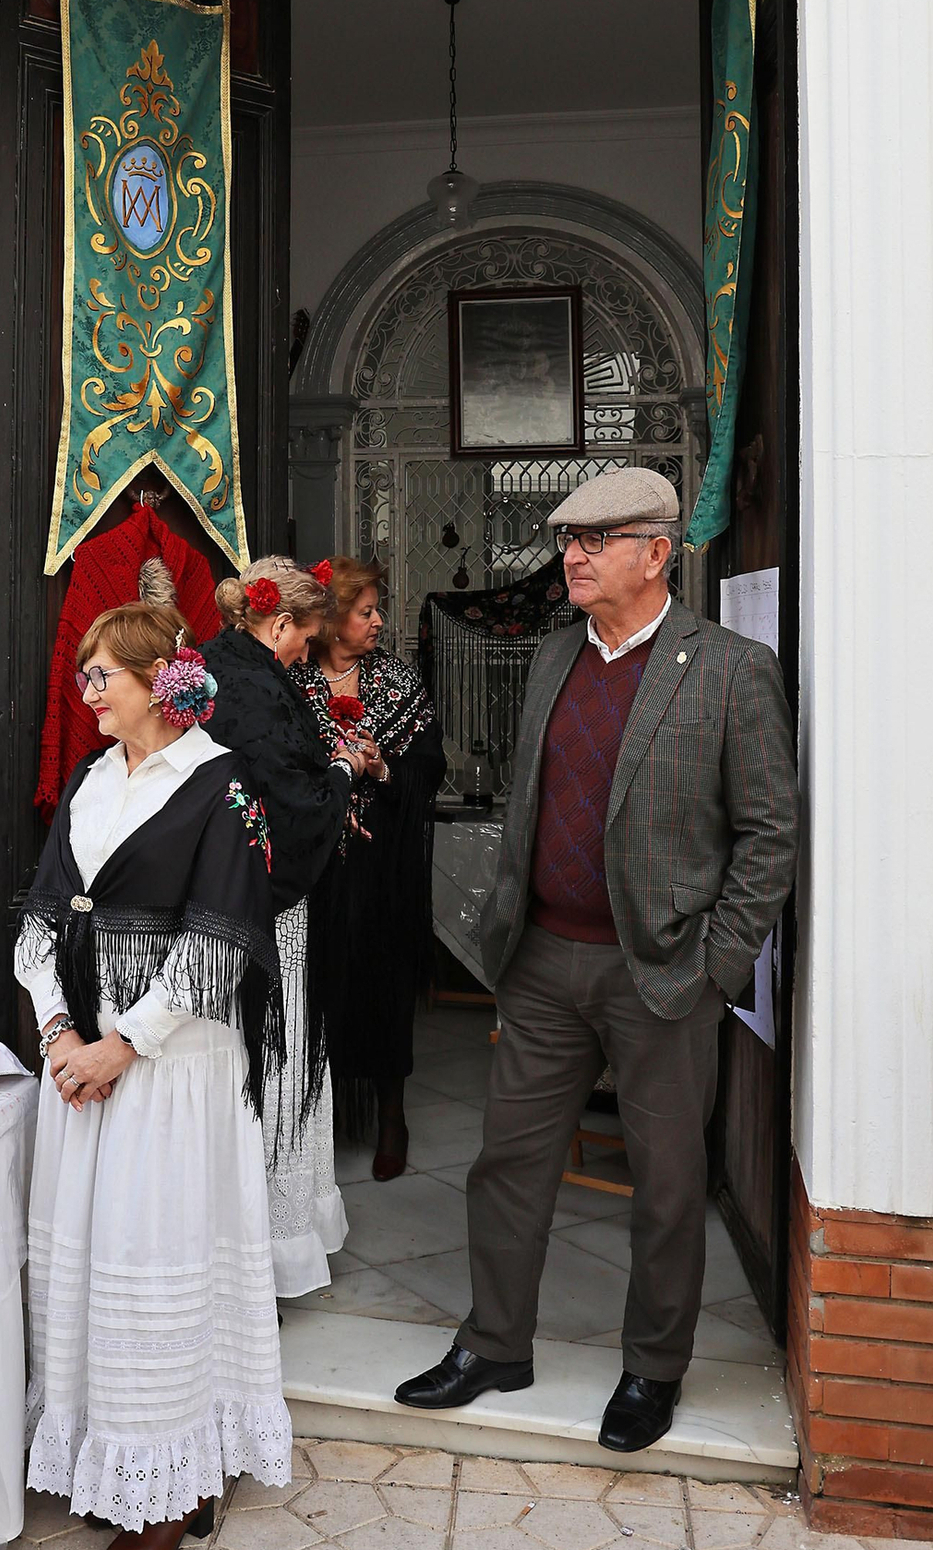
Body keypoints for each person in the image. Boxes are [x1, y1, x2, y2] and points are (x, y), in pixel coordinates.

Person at [396, 471, 799, 1453]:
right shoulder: (547, 659)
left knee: (666, 1183)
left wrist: (717, 962)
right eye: (565, 538)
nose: (569, 554)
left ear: (656, 552)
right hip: (539, 962)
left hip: (661, 975)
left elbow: (768, 834)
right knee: (506, 1165)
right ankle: (495, 1344)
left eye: (593, 538)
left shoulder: (728, 670)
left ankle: (653, 1370)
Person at [16, 600, 293, 1550]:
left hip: (168, 1070)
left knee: (154, 1256)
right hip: (81, 1061)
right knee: (92, 1262)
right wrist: (57, 1027)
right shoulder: (95, 779)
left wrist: (119, 1045)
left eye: (102, 676)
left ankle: (175, 1479)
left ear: (156, 683)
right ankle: (111, 1457)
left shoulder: (221, 785)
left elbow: (219, 942)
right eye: (82, 675)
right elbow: (44, 914)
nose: (85, 692)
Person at [201, 558, 368, 1296]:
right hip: (264, 917)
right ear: (276, 625)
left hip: (216, 905)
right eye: (304, 636)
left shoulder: (210, 668)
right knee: (273, 1061)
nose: (308, 650)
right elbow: (291, 811)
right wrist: (342, 773)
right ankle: (262, 1256)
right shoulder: (256, 690)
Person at [291, 557, 446, 1181]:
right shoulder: (294, 686)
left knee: (383, 989)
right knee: (317, 990)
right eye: (366, 612)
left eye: (377, 610)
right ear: (329, 621)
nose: (379, 621)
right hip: (316, 870)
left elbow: (431, 770)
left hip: (383, 867)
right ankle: (313, 1119)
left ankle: (390, 1119)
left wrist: (382, 773)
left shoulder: (398, 683)